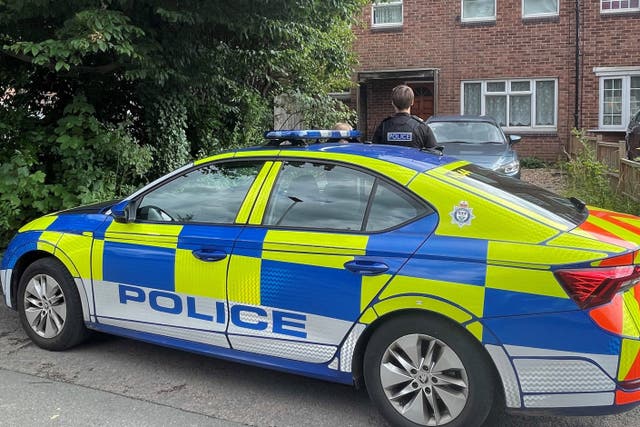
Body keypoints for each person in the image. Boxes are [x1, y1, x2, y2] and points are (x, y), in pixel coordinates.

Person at [372, 85, 435, 149]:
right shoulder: (422, 127)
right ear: (412, 102)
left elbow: (374, 151)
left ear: (392, 103)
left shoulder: (383, 126)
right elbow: (434, 154)